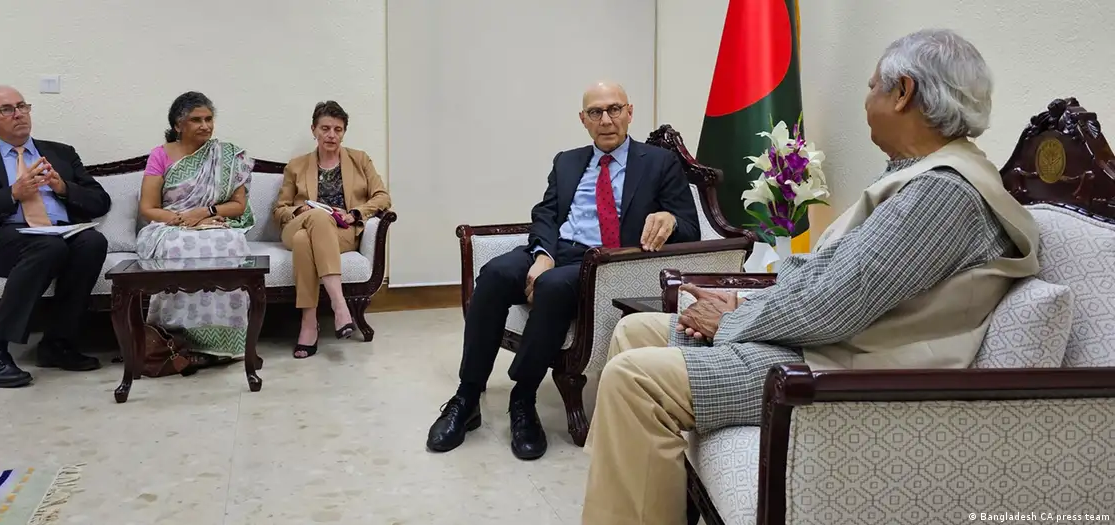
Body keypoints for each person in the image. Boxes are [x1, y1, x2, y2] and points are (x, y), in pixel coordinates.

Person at [580, 28, 1042, 525]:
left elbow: (833, 306)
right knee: (633, 331)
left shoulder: (941, 194)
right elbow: (833, 280)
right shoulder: (918, 174)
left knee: (635, 380)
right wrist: (742, 305)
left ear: (903, 92)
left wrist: (732, 322)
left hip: (839, 368)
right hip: (825, 343)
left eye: (872, 86)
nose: (866, 99)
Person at [425, 81, 702, 460]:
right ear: (583, 120)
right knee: (494, 275)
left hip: (604, 263)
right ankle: (467, 396)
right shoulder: (567, 161)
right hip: (557, 251)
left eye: (614, 109)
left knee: (553, 286)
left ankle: (523, 399)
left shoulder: (658, 162)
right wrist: (542, 254)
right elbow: (546, 214)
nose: (606, 120)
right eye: (595, 112)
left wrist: (669, 219)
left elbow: (690, 227)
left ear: (629, 112)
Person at [0, 85, 112, 388]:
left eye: (22, 106)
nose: (18, 114)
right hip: (0, 239)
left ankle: (57, 343)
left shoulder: (60, 153)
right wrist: (11, 194)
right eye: (7, 109)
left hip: (58, 234)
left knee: (92, 242)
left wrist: (63, 188)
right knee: (48, 247)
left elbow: (100, 201)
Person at [136, 91, 256, 368]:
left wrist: (205, 213)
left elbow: (238, 206)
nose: (205, 125)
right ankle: (177, 339)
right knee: (181, 246)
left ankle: (226, 343)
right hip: (170, 226)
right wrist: (185, 220)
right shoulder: (160, 155)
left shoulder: (227, 156)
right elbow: (149, 208)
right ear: (178, 125)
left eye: (209, 119)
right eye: (196, 120)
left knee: (230, 243)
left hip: (214, 222)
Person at [273, 101, 391, 359]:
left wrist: (355, 213)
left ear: (344, 132)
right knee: (315, 218)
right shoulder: (296, 165)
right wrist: (300, 210)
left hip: (341, 232)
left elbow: (382, 196)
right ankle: (339, 305)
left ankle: (308, 323)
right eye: (325, 128)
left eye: (338, 130)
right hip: (299, 224)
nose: (331, 135)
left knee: (305, 240)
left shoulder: (360, 160)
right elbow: (279, 209)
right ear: (313, 130)